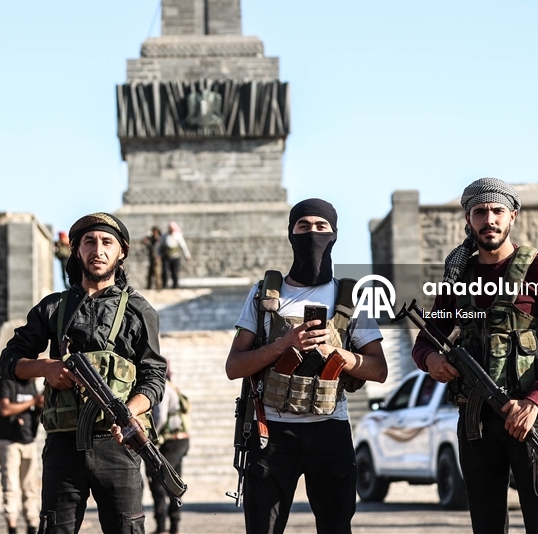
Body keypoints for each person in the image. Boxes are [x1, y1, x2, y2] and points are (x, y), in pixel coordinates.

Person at [411, 177, 538, 534]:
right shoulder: (459, 276)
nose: (489, 219)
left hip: (528, 415)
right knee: (486, 526)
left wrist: (533, 402)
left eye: (497, 211)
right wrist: (431, 361)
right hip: (476, 421)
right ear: (468, 219)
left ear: (512, 215)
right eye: (480, 212)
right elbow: (425, 340)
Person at [225, 198, 388, 534]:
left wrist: (336, 354)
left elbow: (378, 369)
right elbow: (234, 366)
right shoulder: (264, 295)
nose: (312, 232)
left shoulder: (350, 298)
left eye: (321, 226)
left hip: (330, 428)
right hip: (272, 432)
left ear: (334, 234)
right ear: (291, 233)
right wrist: (284, 344)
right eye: (303, 226)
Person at [0, 212, 166, 534]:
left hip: (118, 446)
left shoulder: (138, 311)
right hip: (64, 446)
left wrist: (129, 412)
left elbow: (154, 377)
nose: (97, 250)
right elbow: (8, 360)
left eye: (107, 242)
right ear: (76, 250)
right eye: (89, 242)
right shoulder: (53, 308)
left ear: (122, 252)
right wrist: (45, 368)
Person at [0, 376, 44, 534]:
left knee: (31, 488)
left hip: (28, 440)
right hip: (9, 442)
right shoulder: (6, 382)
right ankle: (12, 526)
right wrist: (33, 401)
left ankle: (32, 525)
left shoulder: (31, 385)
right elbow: (5, 409)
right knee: (11, 486)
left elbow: (35, 410)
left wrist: (39, 405)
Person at [146, 362, 190, 534]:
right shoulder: (172, 386)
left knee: (158, 482)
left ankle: (162, 526)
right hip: (180, 441)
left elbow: (160, 417)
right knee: (175, 483)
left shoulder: (163, 388)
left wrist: (151, 438)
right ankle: (173, 526)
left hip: (172, 442)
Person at [159, 222, 191, 289]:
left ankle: (175, 286)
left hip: (175, 257)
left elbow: (183, 246)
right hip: (167, 257)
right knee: (165, 272)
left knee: (175, 272)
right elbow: (161, 246)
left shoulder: (178, 236)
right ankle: (164, 286)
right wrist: (159, 254)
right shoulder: (165, 236)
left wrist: (187, 255)